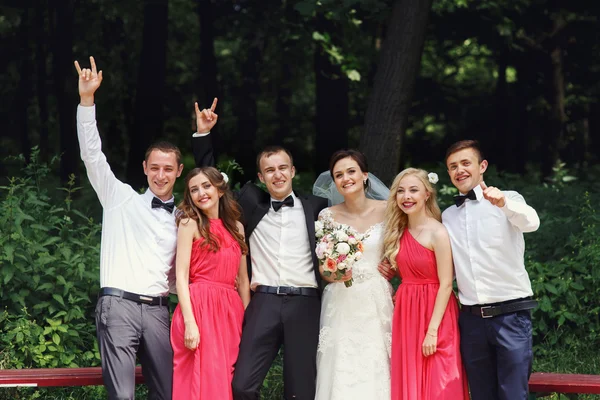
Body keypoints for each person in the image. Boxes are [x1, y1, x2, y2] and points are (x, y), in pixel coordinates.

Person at [191, 105, 329, 400]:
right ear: (261, 176)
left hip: (305, 304)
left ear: (292, 171)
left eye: (282, 168)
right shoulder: (250, 204)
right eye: (270, 170)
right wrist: (203, 134)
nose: (277, 175)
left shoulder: (317, 207)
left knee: (301, 390)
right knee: (241, 385)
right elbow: (211, 184)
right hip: (262, 302)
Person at [74, 56, 182, 399]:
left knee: (167, 393)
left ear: (178, 171)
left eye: (168, 169)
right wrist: (87, 101)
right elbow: (92, 155)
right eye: (155, 168)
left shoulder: (183, 217)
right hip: (118, 305)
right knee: (122, 396)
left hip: (158, 310)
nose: (160, 175)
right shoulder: (119, 197)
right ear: (145, 168)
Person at [442, 140, 540, 400]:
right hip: (471, 321)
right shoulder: (447, 216)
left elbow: (532, 223)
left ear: (482, 166)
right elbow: (446, 267)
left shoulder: (509, 200)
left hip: (511, 316)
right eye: (453, 166)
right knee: (481, 395)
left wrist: (504, 203)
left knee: (513, 395)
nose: (459, 170)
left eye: (465, 163)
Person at [313, 149, 394, 400]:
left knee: (376, 364)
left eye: (351, 171)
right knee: (341, 366)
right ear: (334, 181)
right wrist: (334, 274)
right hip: (341, 299)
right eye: (339, 175)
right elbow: (323, 268)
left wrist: (394, 266)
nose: (346, 178)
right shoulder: (327, 216)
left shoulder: (388, 209)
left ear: (365, 175)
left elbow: (401, 251)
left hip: (376, 299)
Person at [383, 168, 469, 400]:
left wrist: (432, 332)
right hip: (408, 311)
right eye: (400, 191)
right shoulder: (398, 231)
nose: (406, 196)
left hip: (436, 313)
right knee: (411, 375)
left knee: (440, 380)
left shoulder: (438, 232)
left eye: (413, 190)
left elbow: (446, 284)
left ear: (427, 194)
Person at [171, 167, 251, 399]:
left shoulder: (237, 228)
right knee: (199, 381)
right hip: (199, 309)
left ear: (219, 189)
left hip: (230, 312)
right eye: (194, 189)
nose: (201, 193)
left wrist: (247, 322)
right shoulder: (190, 224)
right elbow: (181, 277)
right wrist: (190, 322)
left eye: (206, 186)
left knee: (226, 379)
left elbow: (244, 281)